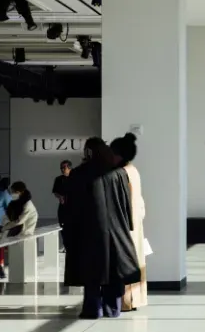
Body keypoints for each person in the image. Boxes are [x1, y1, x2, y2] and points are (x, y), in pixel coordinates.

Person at [61, 138, 140, 318]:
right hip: (115, 230)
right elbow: (126, 203)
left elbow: (71, 207)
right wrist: (127, 226)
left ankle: (92, 309)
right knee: (113, 271)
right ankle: (113, 309)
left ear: (88, 152)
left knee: (91, 272)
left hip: (88, 232)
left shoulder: (78, 174)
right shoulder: (119, 173)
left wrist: (70, 229)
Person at [110, 133, 149, 312]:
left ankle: (126, 301)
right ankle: (136, 299)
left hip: (125, 224)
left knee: (125, 261)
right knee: (136, 259)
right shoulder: (133, 170)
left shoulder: (120, 173)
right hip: (136, 222)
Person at [51, 160, 74, 252]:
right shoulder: (58, 179)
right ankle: (66, 245)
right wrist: (60, 197)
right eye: (61, 167)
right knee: (63, 226)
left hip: (73, 207)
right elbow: (55, 192)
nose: (62, 169)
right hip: (63, 207)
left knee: (73, 227)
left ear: (69, 168)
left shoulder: (75, 178)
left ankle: (73, 246)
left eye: (64, 167)